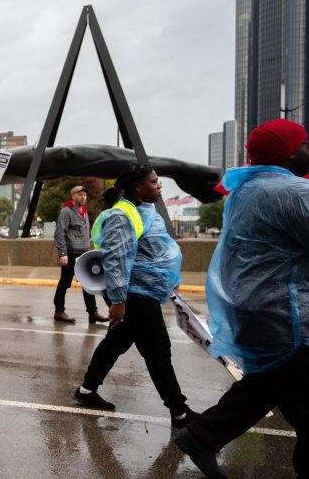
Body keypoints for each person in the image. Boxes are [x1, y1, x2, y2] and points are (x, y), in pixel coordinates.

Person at [174, 119, 309, 479]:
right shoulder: (293, 193)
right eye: (304, 144)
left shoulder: (248, 189)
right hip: (287, 315)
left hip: (259, 309)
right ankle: (201, 436)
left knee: (269, 384)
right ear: (291, 152)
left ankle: (202, 436)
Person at [72, 164, 198, 429]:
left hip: (145, 293)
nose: (159, 185)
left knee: (116, 342)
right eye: (153, 182)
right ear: (138, 187)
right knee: (158, 351)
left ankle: (86, 391)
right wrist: (118, 302)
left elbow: (155, 252)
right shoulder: (121, 215)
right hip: (134, 296)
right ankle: (179, 412)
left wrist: (167, 282)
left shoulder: (145, 210)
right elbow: (116, 260)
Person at [53, 185, 109, 324]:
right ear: (72, 196)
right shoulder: (66, 212)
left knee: (87, 284)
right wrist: (63, 253)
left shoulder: (84, 211)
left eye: (84, 194)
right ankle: (59, 311)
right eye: (79, 194)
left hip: (84, 254)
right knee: (65, 283)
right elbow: (60, 233)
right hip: (71, 254)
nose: (83, 197)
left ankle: (93, 313)